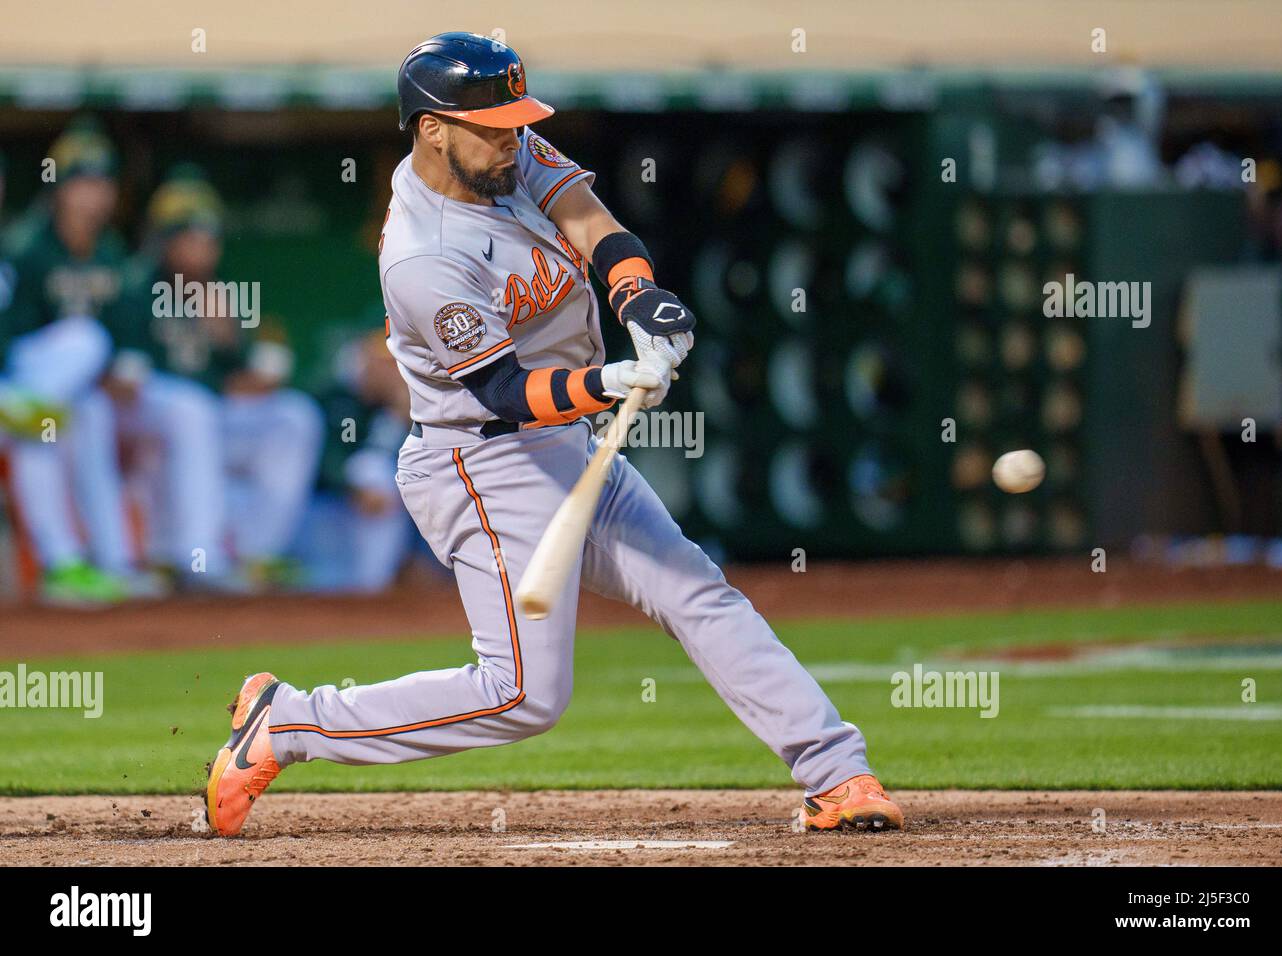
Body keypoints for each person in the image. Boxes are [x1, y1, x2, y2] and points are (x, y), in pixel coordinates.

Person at [205, 32, 903, 837]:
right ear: (432, 129)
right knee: (523, 696)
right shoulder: (421, 257)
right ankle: (289, 723)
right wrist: (605, 383)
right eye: (493, 125)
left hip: (565, 445)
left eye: (515, 121)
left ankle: (837, 774)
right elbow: (503, 392)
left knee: (695, 591)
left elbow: (588, 218)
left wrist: (640, 298)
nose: (513, 136)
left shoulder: (501, 152)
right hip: (483, 460)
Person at [106, 165, 324, 592]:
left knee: (295, 417)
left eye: (208, 237)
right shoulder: (136, 287)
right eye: (190, 236)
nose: (202, 248)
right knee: (192, 408)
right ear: (164, 240)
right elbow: (126, 379)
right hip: (148, 419)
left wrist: (234, 351)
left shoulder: (219, 292)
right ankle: (197, 557)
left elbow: (241, 373)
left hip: (207, 418)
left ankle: (255, 553)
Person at [0, 118, 141, 605]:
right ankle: (62, 563)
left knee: (66, 423)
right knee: (83, 339)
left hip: (43, 399)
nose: (93, 195)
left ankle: (102, 563)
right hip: (14, 380)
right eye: (82, 183)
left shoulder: (109, 250)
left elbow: (128, 334)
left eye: (101, 183)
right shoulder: (26, 245)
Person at [295, 329, 424, 593]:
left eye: (394, 365)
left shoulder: (395, 408)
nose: (391, 373)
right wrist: (352, 488)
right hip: (319, 510)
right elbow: (323, 461)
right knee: (372, 472)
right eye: (383, 364)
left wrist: (401, 418)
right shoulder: (337, 399)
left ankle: (377, 586)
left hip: (363, 519)